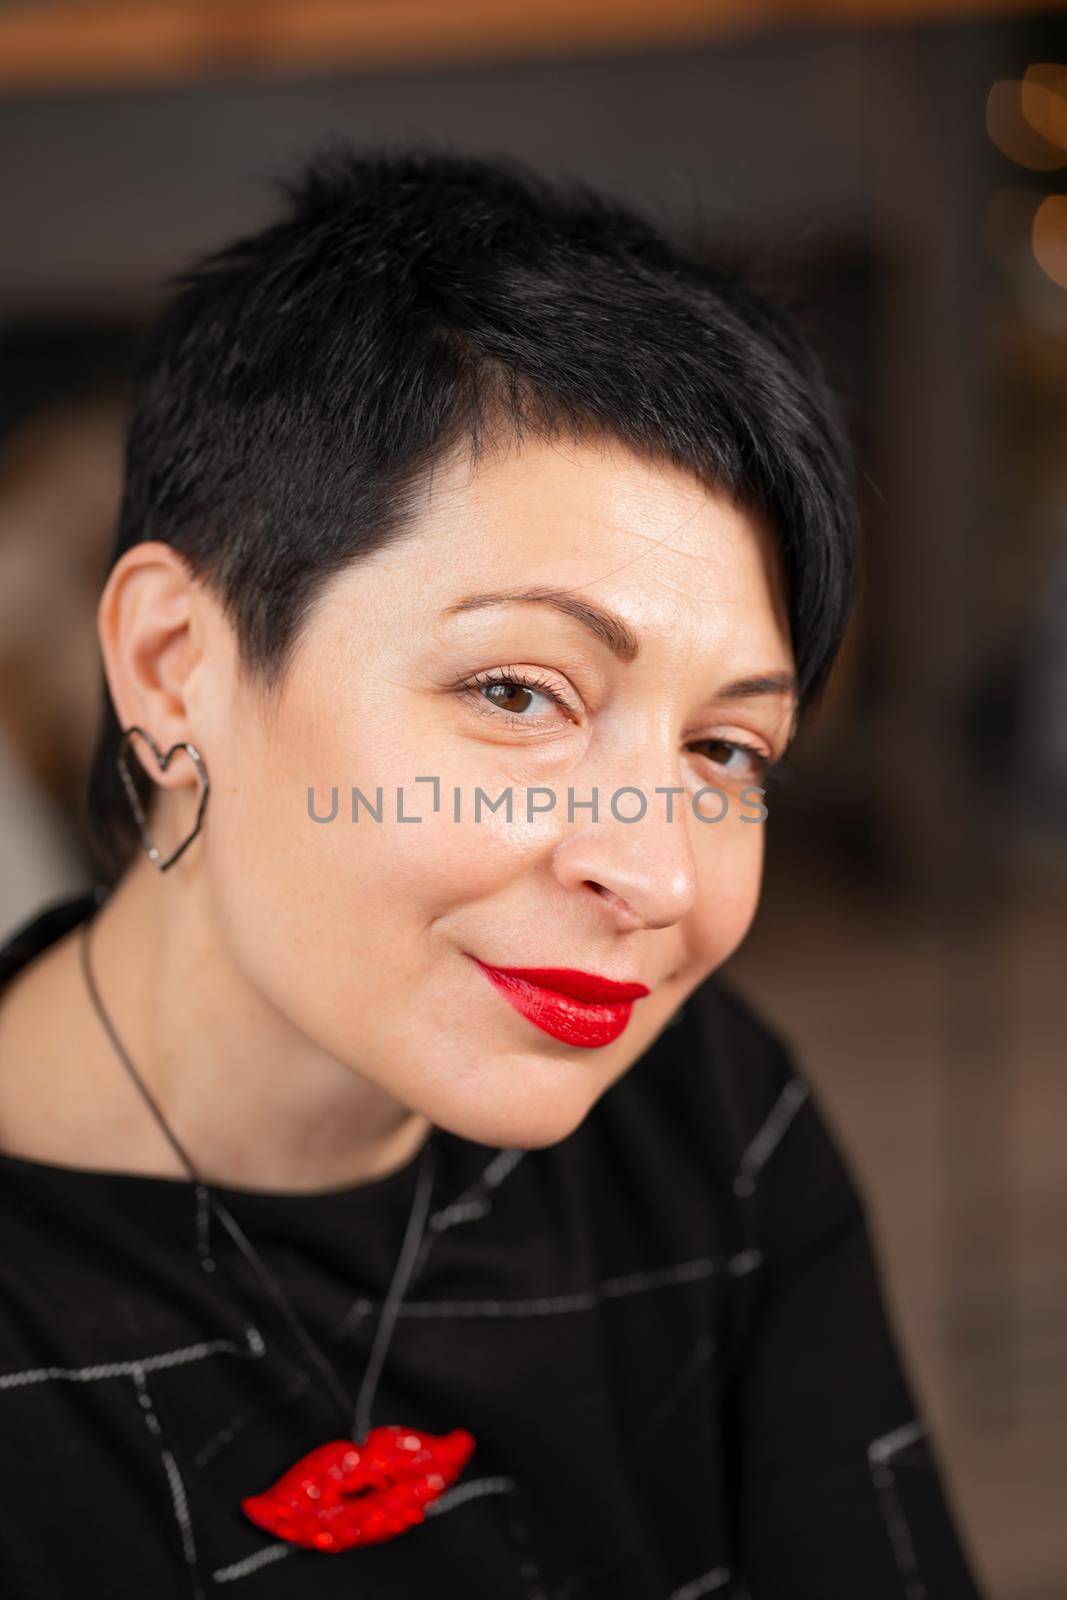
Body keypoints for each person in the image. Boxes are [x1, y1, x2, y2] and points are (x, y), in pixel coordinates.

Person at [0, 144, 987, 1599]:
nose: (653, 874)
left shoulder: (703, 1125)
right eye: (520, 694)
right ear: (175, 668)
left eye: (729, 753)